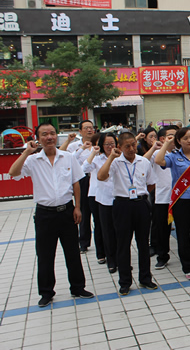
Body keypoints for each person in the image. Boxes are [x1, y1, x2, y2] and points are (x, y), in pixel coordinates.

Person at [9, 123, 94, 307]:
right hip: (45, 215)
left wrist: (77, 207)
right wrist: (26, 152)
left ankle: (78, 287)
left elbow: (76, 183)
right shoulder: (32, 161)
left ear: (57, 136)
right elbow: (13, 173)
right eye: (45, 134)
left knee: (72, 252)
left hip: (66, 212)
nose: (49, 137)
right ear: (38, 139)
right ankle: (46, 292)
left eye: (52, 134)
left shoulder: (68, 157)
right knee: (45, 255)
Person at [98, 132, 158, 295]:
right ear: (119, 147)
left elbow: (151, 184)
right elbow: (101, 176)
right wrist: (111, 158)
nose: (132, 149)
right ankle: (125, 281)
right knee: (123, 244)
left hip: (141, 204)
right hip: (122, 205)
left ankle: (145, 278)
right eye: (127, 146)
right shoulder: (115, 163)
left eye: (133, 145)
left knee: (143, 243)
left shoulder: (143, 161)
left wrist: (141, 195)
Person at [155, 127, 190, 280]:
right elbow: (158, 160)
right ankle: (187, 267)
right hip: (182, 201)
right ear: (179, 141)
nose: (189, 140)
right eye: (185, 138)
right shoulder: (174, 157)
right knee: (183, 234)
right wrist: (167, 144)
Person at [144, 126, 178, 270]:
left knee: (183, 228)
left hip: (180, 197)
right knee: (163, 229)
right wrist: (156, 147)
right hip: (163, 198)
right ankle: (162, 256)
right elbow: (142, 161)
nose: (173, 138)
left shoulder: (181, 152)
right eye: (170, 136)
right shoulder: (157, 153)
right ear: (163, 139)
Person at [84, 132, 118, 274]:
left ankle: (121, 258)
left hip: (120, 200)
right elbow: (83, 169)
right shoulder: (98, 160)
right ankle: (111, 260)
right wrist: (93, 153)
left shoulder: (121, 157)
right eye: (107, 144)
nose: (110, 147)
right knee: (107, 231)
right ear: (102, 145)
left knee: (121, 232)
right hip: (104, 200)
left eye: (112, 144)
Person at [62, 120, 95, 254]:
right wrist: (80, 148)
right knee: (84, 210)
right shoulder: (74, 145)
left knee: (98, 211)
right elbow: (66, 157)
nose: (89, 130)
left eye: (91, 128)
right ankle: (83, 242)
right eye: (86, 128)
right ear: (80, 131)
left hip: (96, 178)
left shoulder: (98, 143)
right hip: (82, 179)